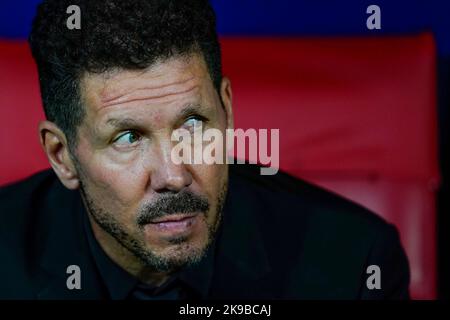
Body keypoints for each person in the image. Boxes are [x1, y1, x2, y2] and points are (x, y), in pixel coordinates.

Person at [0, 0, 409, 299]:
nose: (174, 176)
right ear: (62, 155)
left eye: (193, 125)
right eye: (128, 138)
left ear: (227, 111)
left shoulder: (354, 266)